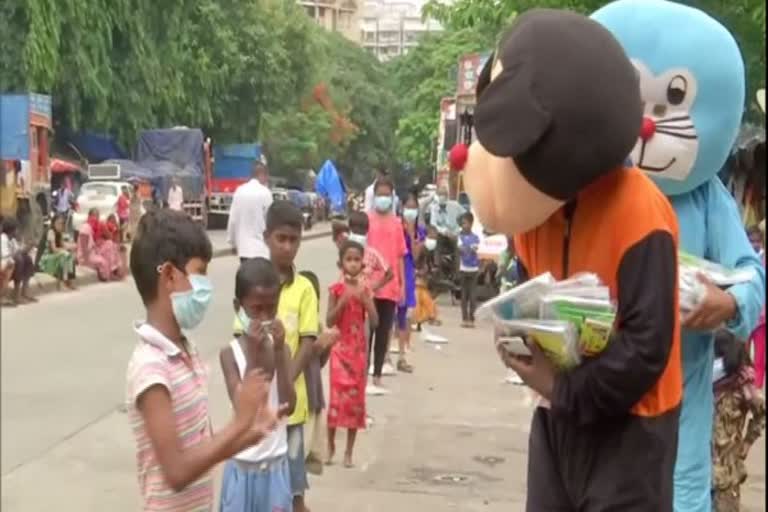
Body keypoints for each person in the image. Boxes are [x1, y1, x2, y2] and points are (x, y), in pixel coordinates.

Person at [466, 10, 682, 510]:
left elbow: (647, 347)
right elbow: (530, 299)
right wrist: (519, 342)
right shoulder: (533, 209)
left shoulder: (639, 209)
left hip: (633, 429)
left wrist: (565, 389)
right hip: (557, 420)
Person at [593, 3, 766, 510]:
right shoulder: (587, 187)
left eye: (671, 101)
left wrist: (728, 303)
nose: (648, 126)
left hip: (680, 404)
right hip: (593, 393)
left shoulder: (707, 197)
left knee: (679, 497)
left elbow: (752, 274)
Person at [125, 209, 284, 512]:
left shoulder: (186, 352)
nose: (206, 288)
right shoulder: (151, 366)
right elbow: (177, 472)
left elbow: (204, 450)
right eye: (200, 274)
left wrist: (251, 432)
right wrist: (239, 422)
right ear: (170, 275)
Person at [265, 200, 336, 512]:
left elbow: (308, 341)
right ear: (266, 236)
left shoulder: (305, 288)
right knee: (263, 480)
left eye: (294, 240)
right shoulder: (253, 281)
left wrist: (286, 382)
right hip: (259, 405)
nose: (287, 247)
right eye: (281, 238)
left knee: (294, 487)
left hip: (293, 405)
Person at [218, 258, 297, 512]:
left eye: (271, 309)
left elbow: (289, 405)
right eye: (256, 309)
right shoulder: (230, 355)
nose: (264, 317)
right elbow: (244, 408)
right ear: (238, 308)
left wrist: (279, 353)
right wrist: (253, 354)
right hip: (242, 464)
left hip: (275, 464)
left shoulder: (281, 349)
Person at [326, 240, 379, 468]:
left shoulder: (366, 290)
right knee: (336, 401)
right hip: (340, 350)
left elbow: (375, 322)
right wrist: (342, 302)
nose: (353, 264)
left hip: (357, 351)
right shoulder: (335, 290)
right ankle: (330, 446)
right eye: (349, 259)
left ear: (363, 264)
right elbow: (329, 320)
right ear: (341, 263)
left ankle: (349, 451)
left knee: (356, 403)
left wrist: (367, 302)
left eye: (357, 260)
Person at [711, 330, 766, 511]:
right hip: (699, 465)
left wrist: (748, 442)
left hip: (727, 470)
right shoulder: (702, 382)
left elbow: (762, 412)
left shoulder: (742, 386)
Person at [366, 177, 406, 392]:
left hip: (389, 287)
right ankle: (363, 375)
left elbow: (400, 256)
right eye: (379, 194)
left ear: (391, 197)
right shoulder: (367, 221)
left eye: (386, 195)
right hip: (369, 286)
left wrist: (402, 285)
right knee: (366, 333)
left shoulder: (397, 223)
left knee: (383, 333)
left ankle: (378, 374)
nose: (383, 198)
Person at [397, 192, 425, 371]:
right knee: (392, 311)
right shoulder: (396, 227)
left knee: (405, 313)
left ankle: (402, 352)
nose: (410, 210)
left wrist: (411, 234)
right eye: (408, 207)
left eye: (414, 207)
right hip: (395, 267)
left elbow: (415, 256)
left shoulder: (420, 231)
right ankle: (386, 356)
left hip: (408, 269)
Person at [227, 163, 273, 262]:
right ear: (262, 175)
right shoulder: (265, 193)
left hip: (244, 250)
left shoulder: (239, 191)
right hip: (261, 250)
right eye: (266, 177)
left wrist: (232, 242)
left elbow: (233, 220)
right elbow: (270, 221)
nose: (266, 180)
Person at [77, 209, 122, 281]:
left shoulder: (97, 226)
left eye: (97, 215)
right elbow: (83, 246)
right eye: (94, 215)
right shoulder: (86, 227)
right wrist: (86, 261)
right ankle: (106, 274)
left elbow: (110, 237)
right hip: (86, 255)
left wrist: (105, 229)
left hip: (94, 251)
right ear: (89, 216)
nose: (96, 217)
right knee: (102, 262)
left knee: (110, 244)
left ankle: (113, 271)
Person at [3, 217, 37, 305]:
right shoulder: (2, 239)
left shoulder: (12, 240)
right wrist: (20, 252)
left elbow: (19, 251)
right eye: (16, 229)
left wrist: (29, 247)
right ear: (11, 230)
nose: (17, 231)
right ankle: (16, 295)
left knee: (27, 258)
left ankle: (24, 292)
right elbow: (5, 256)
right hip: (4, 265)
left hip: (11, 265)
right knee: (19, 259)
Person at [38, 214, 76, 290]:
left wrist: (71, 247)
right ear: (53, 223)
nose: (60, 225)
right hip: (46, 258)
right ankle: (62, 282)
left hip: (55, 255)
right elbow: (54, 249)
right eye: (58, 223)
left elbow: (62, 245)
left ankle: (70, 281)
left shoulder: (59, 232)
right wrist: (64, 250)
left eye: (62, 224)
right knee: (64, 256)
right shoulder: (50, 232)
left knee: (70, 256)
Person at [412, 226, 440, 328]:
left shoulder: (428, 249)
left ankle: (426, 318)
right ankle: (416, 320)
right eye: (431, 238)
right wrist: (418, 272)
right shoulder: (419, 247)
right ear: (426, 236)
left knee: (426, 301)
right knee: (418, 301)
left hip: (422, 279)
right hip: (416, 279)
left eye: (435, 239)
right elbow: (413, 263)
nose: (433, 241)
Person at [457, 211, 480, 328]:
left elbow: (474, 248)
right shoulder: (459, 236)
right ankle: (464, 318)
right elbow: (461, 249)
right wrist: (468, 248)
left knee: (472, 296)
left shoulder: (475, 237)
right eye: (462, 223)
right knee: (464, 295)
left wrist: (468, 248)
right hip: (463, 269)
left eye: (465, 223)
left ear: (471, 224)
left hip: (474, 269)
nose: (463, 225)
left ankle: (472, 318)